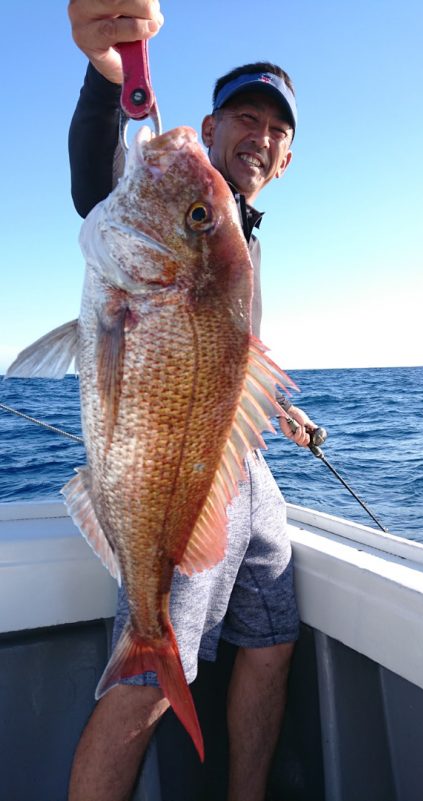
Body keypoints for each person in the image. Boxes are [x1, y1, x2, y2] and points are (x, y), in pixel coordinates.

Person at [67, 3, 316, 800]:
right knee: (141, 687)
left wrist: (281, 410)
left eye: (279, 130)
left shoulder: (233, 233)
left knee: (273, 640)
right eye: (248, 116)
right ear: (208, 128)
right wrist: (109, 70)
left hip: (244, 465)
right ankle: (149, 639)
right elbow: (93, 175)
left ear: (287, 157)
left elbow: (228, 361)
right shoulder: (177, 207)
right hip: (176, 472)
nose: (263, 137)